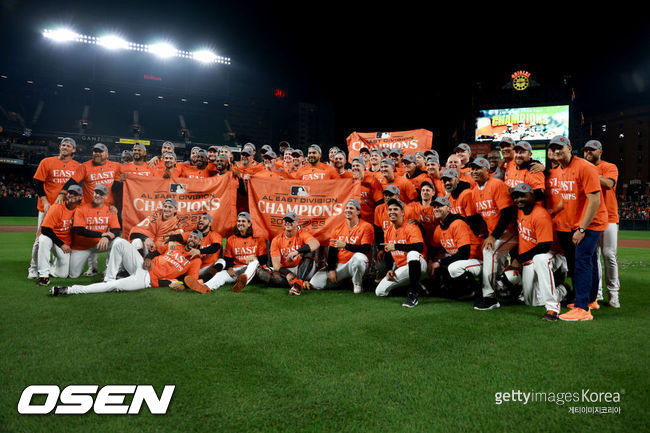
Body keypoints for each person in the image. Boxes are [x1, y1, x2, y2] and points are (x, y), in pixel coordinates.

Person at [547, 136, 608, 322]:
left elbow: (595, 200)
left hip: (591, 222)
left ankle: (582, 308)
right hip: (576, 223)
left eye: (560, 148)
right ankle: (590, 300)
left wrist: (582, 228)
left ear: (569, 148)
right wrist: (553, 211)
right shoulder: (561, 169)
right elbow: (568, 197)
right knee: (585, 260)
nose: (557, 152)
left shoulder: (585, 167)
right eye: (553, 148)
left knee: (581, 262)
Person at [50, 231, 204, 296]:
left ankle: (69, 290)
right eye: (190, 236)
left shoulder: (195, 260)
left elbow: (191, 280)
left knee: (114, 286)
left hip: (146, 280)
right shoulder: (175, 245)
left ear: (199, 243)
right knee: (119, 242)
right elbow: (156, 251)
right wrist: (149, 257)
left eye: (195, 238)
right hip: (141, 265)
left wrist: (182, 285)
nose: (191, 239)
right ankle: (109, 277)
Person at [508, 183, 568, 321]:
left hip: (551, 254)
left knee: (540, 259)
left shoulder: (540, 214)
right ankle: (560, 288)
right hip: (529, 258)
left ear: (532, 196)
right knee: (532, 301)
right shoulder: (519, 211)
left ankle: (553, 307)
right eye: (516, 197)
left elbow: (544, 246)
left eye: (523, 195)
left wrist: (519, 259)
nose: (519, 199)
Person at [466, 157, 517, 311]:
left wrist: (493, 236)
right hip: (496, 233)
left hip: (511, 232)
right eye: (472, 168)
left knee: (489, 251)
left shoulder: (497, 184)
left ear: (487, 170)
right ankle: (504, 290)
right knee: (497, 262)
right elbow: (478, 218)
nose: (474, 171)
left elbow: (507, 213)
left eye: (478, 168)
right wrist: (484, 234)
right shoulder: (475, 191)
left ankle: (489, 296)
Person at [29, 137, 80, 279]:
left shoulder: (76, 166)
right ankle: (33, 268)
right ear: (59, 147)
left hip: (66, 209)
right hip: (48, 207)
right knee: (40, 239)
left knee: (65, 236)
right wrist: (45, 202)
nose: (65, 147)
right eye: (63, 145)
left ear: (73, 150)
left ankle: (55, 267)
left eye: (68, 146)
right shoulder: (47, 162)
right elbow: (38, 183)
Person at [184, 212, 268, 293]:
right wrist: (229, 268)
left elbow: (264, 259)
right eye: (239, 221)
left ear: (249, 224)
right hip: (238, 269)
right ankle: (205, 287)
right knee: (221, 275)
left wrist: (255, 257)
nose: (240, 223)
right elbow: (228, 259)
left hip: (254, 271)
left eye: (243, 221)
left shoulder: (258, 239)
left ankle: (243, 281)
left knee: (254, 262)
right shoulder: (231, 239)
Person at [583, 139, 620, 307]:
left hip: (610, 217)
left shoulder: (609, 167)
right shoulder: (582, 167)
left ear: (600, 152)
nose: (588, 153)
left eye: (592, 150)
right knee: (593, 257)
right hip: (591, 218)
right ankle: (595, 294)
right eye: (586, 150)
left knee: (609, 255)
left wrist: (590, 175)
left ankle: (613, 293)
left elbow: (609, 184)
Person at [309, 199, 374, 293]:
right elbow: (332, 252)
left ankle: (357, 284)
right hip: (341, 264)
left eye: (351, 208)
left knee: (359, 258)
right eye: (347, 208)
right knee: (315, 283)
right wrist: (331, 270)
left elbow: (366, 249)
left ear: (358, 212)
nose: (348, 210)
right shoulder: (337, 228)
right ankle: (343, 282)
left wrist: (345, 246)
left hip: (355, 264)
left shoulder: (366, 226)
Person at [375, 198, 427, 308]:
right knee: (380, 291)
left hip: (419, 265)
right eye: (390, 209)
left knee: (412, 253)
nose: (392, 212)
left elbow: (419, 247)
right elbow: (388, 253)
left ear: (402, 212)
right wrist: (389, 269)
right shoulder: (388, 231)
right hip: (402, 268)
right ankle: (415, 287)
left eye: (395, 209)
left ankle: (413, 295)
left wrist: (396, 246)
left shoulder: (411, 226)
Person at [429, 196, 483, 298]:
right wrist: (431, 261)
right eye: (435, 206)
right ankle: (456, 289)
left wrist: (440, 262)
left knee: (454, 267)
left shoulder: (457, 223)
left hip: (478, 260)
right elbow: (433, 249)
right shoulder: (438, 229)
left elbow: (464, 253)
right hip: (465, 262)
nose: (436, 209)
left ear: (449, 209)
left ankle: (477, 289)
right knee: (441, 261)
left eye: (440, 206)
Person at [68, 184, 122, 278]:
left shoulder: (110, 210)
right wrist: (102, 235)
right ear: (93, 194)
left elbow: (116, 230)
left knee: (117, 242)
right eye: (96, 193)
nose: (98, 195)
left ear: (106, 197)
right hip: (83, 246)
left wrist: (107, 237)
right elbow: (79, 230)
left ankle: (109, 270)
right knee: (73, 274)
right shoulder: (82, 209)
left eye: (101, 194)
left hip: (100, 244)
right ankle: (92, 269)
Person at [261, 211, 320, 294]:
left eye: (291, 221)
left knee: (310, 251)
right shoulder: (276, 240)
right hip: (286, 270)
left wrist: (297, 252)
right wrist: (287, 273)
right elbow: (276, 265)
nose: (288, 223)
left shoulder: (302, 233)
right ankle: (300, 283)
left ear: (296, 223)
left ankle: (297, 283)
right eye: (286, 221)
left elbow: (316, 243)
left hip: (303, 268)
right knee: (262, 272)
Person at [36, 185, 83, 286]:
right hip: (53, 240)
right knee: (43, 239)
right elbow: (45, 229)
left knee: (62, 274)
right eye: (70, 193)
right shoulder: (56, 207)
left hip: (65, 244)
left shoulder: (81, 209)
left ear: (80, 197)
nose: (71, 195)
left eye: (75, 194)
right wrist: (61, 244)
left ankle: (51, 267)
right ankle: (43, 275)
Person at [166, 212, 222, 279]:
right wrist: (171, 241)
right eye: (200, 218)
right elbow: (175, 236)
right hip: (191, 266)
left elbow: (215, 247)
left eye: (204, 218)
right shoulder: (193, 234)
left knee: (221, 262)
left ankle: (203, 281)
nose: (201, 220)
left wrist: (199, 251)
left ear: (210, 223)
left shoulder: (214, 235)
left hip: (207, 267)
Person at [350, 156, 383, 224]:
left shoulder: (372, 180)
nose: (355, 168)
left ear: (364, 167)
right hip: (354, 222)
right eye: (353, 166)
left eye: (357, 165)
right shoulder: (349, 182)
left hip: (370, 221)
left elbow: (380, 202)